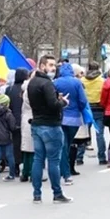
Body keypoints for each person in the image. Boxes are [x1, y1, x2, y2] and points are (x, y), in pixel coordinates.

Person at [27, 55, 72, 204]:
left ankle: (37, 194)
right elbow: (53, 104)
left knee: (38, 159)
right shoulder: (47, 84)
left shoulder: (32, 82)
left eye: (54, 65)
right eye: (50, 65)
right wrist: (63, 102)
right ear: (42, 66)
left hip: (37, 124)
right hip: (51, 125)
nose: (53, 68)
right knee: (53, 160)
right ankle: (57, 193)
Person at [54, 62, 89, 185]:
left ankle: (64, 172)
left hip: (60, 117)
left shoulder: (56, 83)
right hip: (74, 119)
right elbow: (83, 100)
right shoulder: (77, 82)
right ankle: (65, 171)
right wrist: (79, 109)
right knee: (67, 145)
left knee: (62, 146)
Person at [81, 62, 107, 165]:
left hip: (86, 108)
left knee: (84, 134)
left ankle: (79, 157)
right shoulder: (102, 81)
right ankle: (102, 157)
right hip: (99, 109)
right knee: (99, 134)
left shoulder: (82, 80)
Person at [6, 68, 29, 178]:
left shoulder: (9, 89)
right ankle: (26, 166)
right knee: (26, 144)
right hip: (26, 120)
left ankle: (15, 167)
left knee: (15, 144)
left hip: (13, 121)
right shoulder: (26, 89)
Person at [20, 71, 36, 182]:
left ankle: (26, 171)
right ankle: (30, 171)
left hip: (26, 118)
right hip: (31, 118)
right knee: (32, 148)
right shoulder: (31, 89)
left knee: (27, 147)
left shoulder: (26, 88)